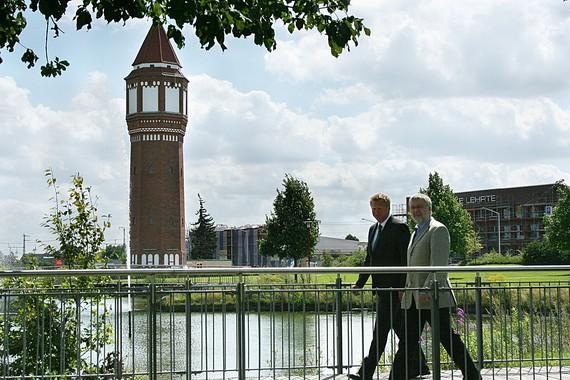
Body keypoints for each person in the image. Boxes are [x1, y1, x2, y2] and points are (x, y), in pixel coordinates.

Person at [394, 193, 481, 380]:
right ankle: (397, 376)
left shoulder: (438, 230)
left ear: (429, 209)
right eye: (413, 207)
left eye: (420, 207)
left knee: (447, 339)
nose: (416, 210)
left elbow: (439, 266)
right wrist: (405, 289)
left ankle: (473, 375)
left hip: (432, 297)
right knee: (407, 340)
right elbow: (413, 267)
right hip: (413, 298)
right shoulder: (415, 231)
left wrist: (427, 290)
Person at [348, 193, 430, 380]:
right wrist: (360, 283)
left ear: (388, 208)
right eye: (373, 209)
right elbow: (370, 259)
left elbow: (404, 260)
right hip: (382, 290)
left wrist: (403, 288)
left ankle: (365, 373)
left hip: (395, 291)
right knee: (401, 331)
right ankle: (421, 366)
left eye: (379, 209)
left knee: (381, 332)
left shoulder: (399, 227)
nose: (376, 212)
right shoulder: (373, 229)